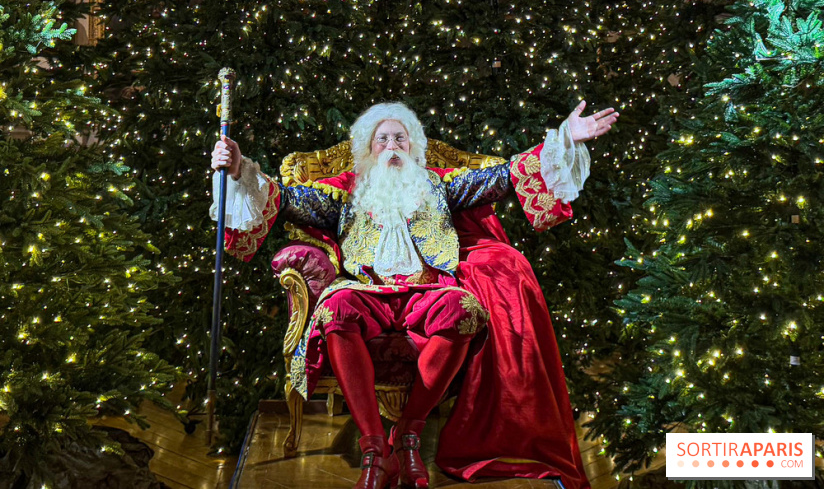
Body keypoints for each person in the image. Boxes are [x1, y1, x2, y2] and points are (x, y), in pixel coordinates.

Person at [210, 101, 617, 489]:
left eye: (400, 139)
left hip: (428, 289)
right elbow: (283, 199)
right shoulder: (345, 193)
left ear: (413, 147)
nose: (391, 147)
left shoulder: (441, 186)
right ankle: (373, 448)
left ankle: (406, 437)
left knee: (464, 309)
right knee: (334, 308)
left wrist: (566, 138)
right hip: (367, 290)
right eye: (382, 139)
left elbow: (505, 176)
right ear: (368, 149)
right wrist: (238, 169)